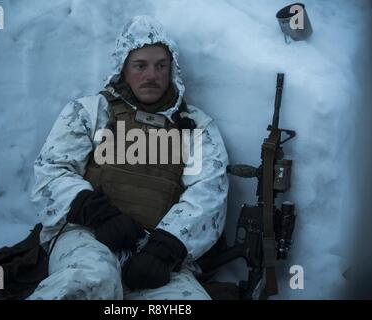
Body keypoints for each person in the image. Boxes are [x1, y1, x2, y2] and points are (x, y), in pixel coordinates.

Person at [27, 15, 229, 300]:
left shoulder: (195, 126)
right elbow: (50, 171)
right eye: (140, 65)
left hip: (156, 252)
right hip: (87, 236)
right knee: (93, 279)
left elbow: (208, 193)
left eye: (161, 66)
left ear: (172, 70)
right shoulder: (91, 111)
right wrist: (99, 215)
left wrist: (164, 249)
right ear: (123, 68)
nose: (151, 75)